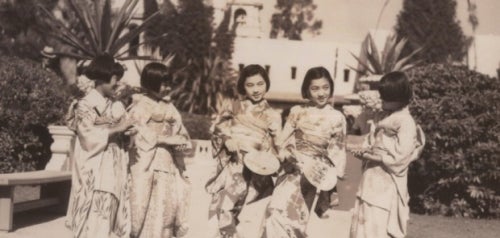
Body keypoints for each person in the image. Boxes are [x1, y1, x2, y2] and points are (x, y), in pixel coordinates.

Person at [263, 66, 347, 238]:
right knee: (275, 212)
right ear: (307, 90)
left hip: (314, 173)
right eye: (315, 88)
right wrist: (285, 155)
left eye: (325, 87)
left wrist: (330, 178)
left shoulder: (337, 117)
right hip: (292, 169)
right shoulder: (297, 111)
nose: (321, 93)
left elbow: (337, 149)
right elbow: (281, 140)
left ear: (331, 87)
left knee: (296, 222)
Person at [206, 64, 282, 237]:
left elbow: (279, 145)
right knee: (224, 212)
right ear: (243, 86)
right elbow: (217, 129)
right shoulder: (233, 106)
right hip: (234, 166)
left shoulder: (273, 115)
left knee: (251, 219)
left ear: (266, 84)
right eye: (250, 85)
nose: (256, 90)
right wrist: (227, 139)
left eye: (260, 84)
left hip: (258, 170)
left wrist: (273, 156)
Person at [349, 71, 425, 238]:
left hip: (387, 183)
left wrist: (372, 156)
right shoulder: (383, 116)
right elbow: (371, 141)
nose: (382, 101)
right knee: (363, 224)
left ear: (400, 99)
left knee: (377, 226)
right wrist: (365, 149)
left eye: (386, 99)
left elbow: (401, 157)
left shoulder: (406, 122)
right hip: (371, 177)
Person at [66, 54, 132, 238]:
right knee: (93, 218)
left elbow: (124, 130)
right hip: (94, 167)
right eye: (114, 81)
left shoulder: (116, 105)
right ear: (103, 80)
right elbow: (87, 136)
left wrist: (126, 134)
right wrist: (117, 128)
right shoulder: (85, 104)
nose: (116, 85)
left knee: (106, 215)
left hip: (112, 167)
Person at [128, 62, 192, 238]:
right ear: (150, 82)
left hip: (169, 165)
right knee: (148, 211)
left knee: (168, 212)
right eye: (163, 83)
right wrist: (165, 139)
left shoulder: (170, 107)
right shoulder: (140, 106)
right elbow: (137, 135)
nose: (166, 88)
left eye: (168, 83)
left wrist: (180, 144)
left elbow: (183, 137)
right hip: (148, 164)